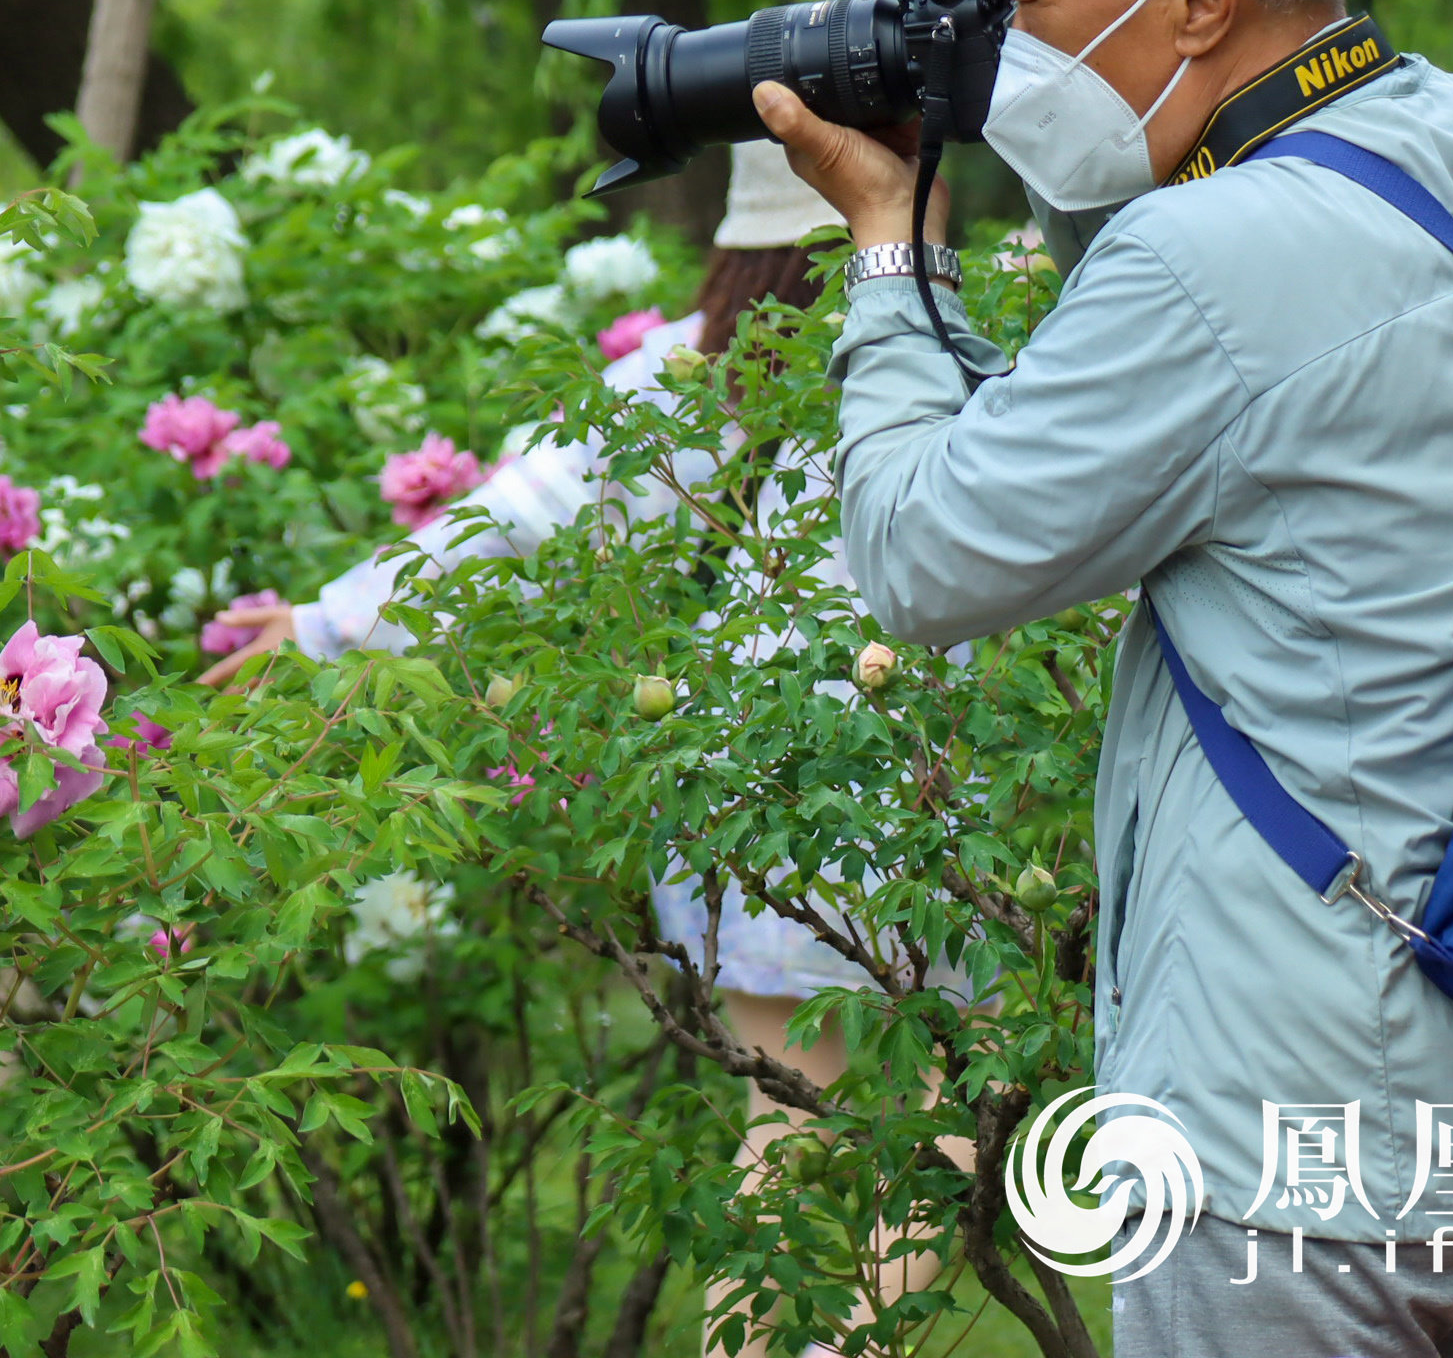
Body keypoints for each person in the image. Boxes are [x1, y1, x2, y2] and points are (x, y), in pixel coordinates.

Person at [759, 0, 1453, 1354]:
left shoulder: (1205, 251)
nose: (1001, 52)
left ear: (1189, 0)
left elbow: (922, 557)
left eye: (1023, 0)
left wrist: (888, 252)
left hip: (1291, 1150)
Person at [202, 143, 958, 1357]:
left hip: (749, 825)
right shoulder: (937, 357)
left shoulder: (695, 368)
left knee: (785, 1178)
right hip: (905, 826)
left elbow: (526, 510)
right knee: (912, 1163)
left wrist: (334, 619)